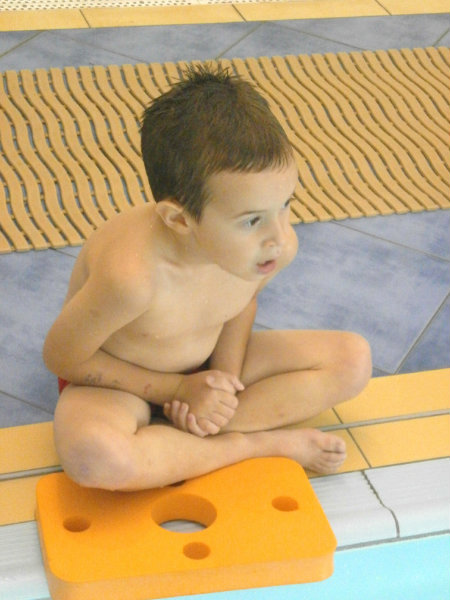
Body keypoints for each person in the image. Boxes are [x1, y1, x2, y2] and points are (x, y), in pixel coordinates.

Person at [43, 64, 372, 492]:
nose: (279, 236)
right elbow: (62, 357)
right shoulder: (132, 277)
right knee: (94, 457)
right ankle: (251, 444)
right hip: (120, 380)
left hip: (206, 365)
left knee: (353, 360)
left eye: (285, 205)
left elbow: (241, 305)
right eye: (252, 220)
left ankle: (190, 437)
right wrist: (178, 389)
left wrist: (224, 385)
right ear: (180, 220)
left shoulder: (269, 249)